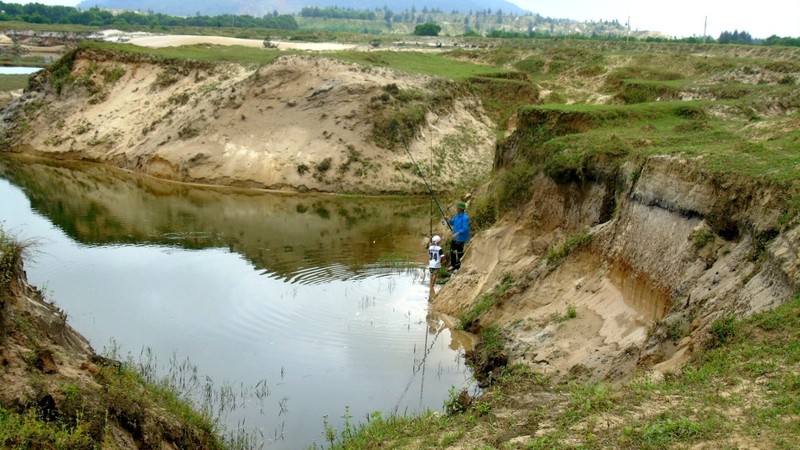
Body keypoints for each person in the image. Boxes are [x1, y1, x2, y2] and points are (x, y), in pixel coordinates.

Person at [448, 201, 470, 272]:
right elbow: (452, 222)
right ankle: (453, 265)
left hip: (461, 238)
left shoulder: (465, 218)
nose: (456, 208)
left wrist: (457, 233)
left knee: (459, 252)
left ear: (460, 208)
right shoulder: (457, 215)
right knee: (452, 250)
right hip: (455, 237)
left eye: (457, 207)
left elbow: (464, 228)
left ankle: (459, 267)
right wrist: (448, 220)